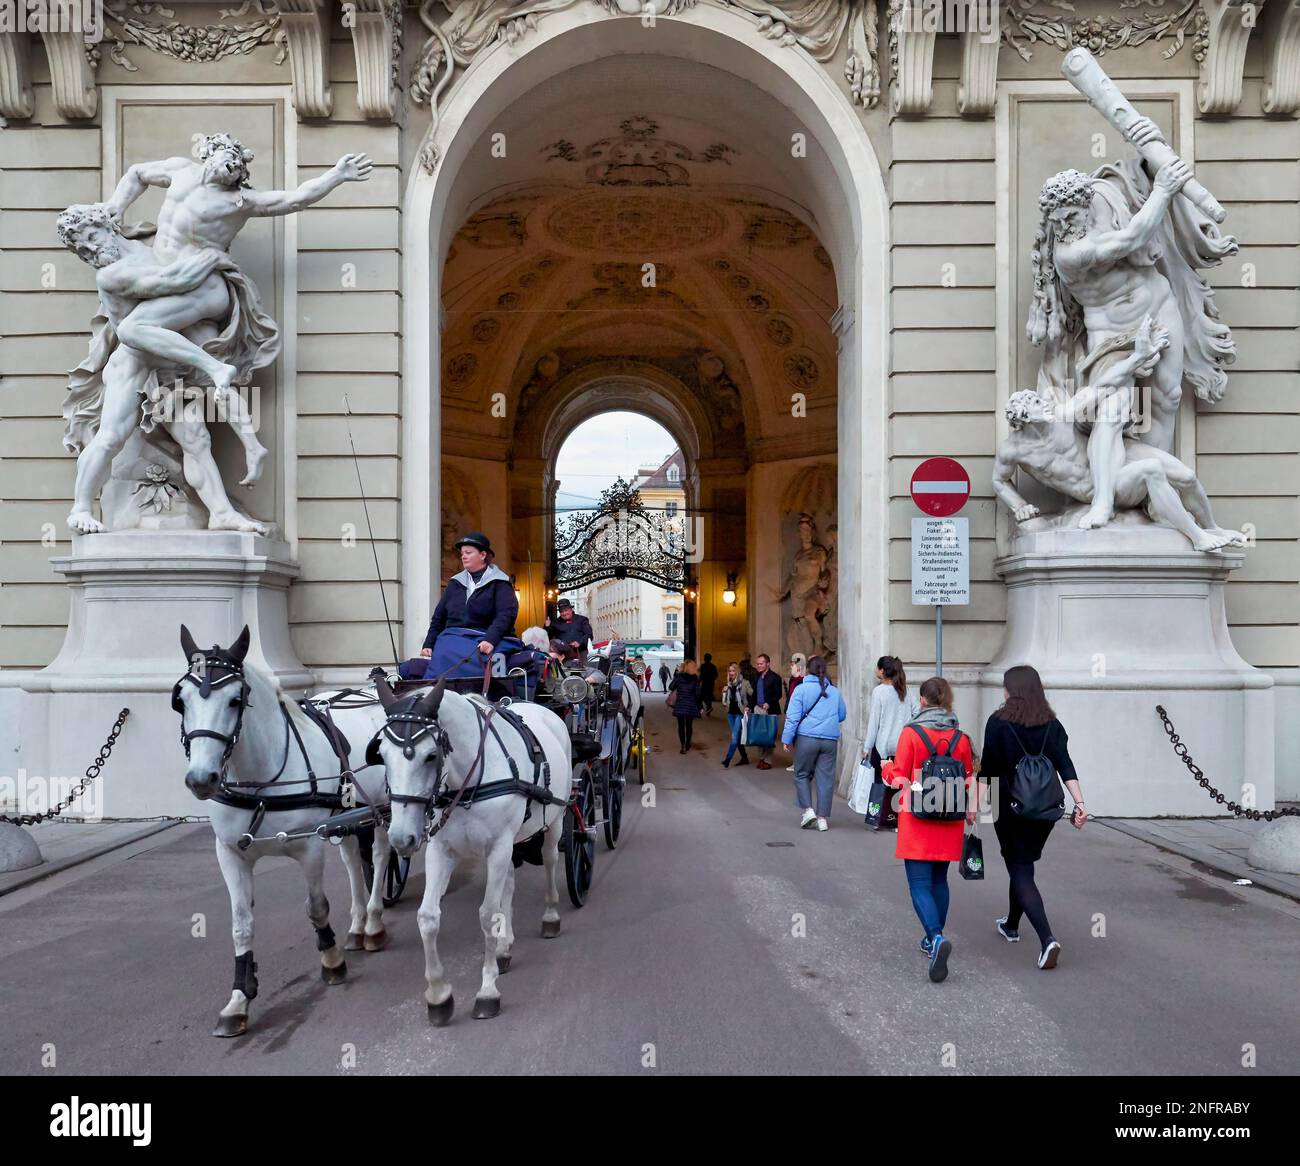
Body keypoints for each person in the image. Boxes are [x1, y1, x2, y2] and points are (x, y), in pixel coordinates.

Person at [977, 664, 1088, 970]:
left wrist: (977, 809)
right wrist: (1080, 803)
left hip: (1008, 806)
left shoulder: (997, 723)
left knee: (1021, 869)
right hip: (1045, 809)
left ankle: (1047, 939)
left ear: (1010, 690)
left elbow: (988, 771)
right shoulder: (1051, 724)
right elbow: (1065, 765)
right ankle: (1011, 924)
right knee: (1023, 863)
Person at [883, 676, 976, 983]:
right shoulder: (960, 737)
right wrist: (974, 808)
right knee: (940, 879)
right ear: (946, 701)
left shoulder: (911, 733)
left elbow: (900, 777)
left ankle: (935, 938)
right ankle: (931, 939)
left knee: (919, 883)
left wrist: (885, 768)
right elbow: (968, 777)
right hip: (949, 816)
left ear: (922, 701)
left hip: (918, 816)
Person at [415, 532, 518, 678]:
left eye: (468, 553)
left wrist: (490, 639)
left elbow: (506, 615)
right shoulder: (454, 583)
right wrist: (428, 644)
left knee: (487, 659)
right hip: (453, 638)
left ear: (482, 555)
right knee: (443, 651)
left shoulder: (500, 583)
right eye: (462, 553)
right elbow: (439, 617)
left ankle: (487, 694)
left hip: (488, 637)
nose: (463, 556)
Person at [781, 655, 846, 831]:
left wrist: (787, 739)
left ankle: (808, 811)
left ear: (808, 670)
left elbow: (792, 718)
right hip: (829, 740)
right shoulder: (834, 691)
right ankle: (823, 818)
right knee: (826, 779)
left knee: (802, 774)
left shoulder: (801, 690)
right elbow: (842, 715)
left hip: (806, 738)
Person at [862, 656, 921, 831]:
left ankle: (878, 816)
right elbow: (917, 713)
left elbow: (874, 722)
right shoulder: (905, 690)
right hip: (903, 744)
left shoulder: (879, 692)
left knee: (880, 781)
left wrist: (867, 747)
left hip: (883, 745)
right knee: (901, 781)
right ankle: (898, 820)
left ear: (882, 671)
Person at [751, 653, 784, 770]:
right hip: (758, 709)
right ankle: (761, 758)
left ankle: (768, 761)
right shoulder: (756, 676)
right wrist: (749, 706)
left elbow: (778, 694)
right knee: (759, 735)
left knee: (769, 736)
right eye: (757, 664)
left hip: (771, 711)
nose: (759, 666)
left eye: (761, 663)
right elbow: (754, 694)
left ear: (768, 664)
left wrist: (768, 703)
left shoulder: (775, 677)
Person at [720, 662, 753, 768]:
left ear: (737, 671)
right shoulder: (728, 684)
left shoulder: (745, 683)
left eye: (733, 671)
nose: (731, 673)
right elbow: (725, 701)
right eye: (729, 671)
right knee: (737, 737)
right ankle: (744, 758)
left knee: (734, 737)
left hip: (740, 713)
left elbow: (753, 695)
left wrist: (749, 706)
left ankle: (727, 759)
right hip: (731, 714)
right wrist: (724, 693)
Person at [667, 659, 701, 754]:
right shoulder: (695, 678)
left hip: (680, 704)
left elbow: (671, 687)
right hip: (691, 704)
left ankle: (682, 746)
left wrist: (677, 676)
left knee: (681, 726)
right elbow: (698, 694)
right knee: (689, 726)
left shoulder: (679, 677)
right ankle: (688, 743)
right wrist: (700, 706)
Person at [785, 654, 806, 771]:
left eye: (792, 665)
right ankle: (797, 762)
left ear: (798, 667)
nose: (790, 667)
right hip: (792, 711)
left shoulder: (803, 681)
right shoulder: (792, 680)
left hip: (799, 714)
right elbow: (790, 696)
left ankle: (800, 763)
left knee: (799, 740)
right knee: (794, 739)